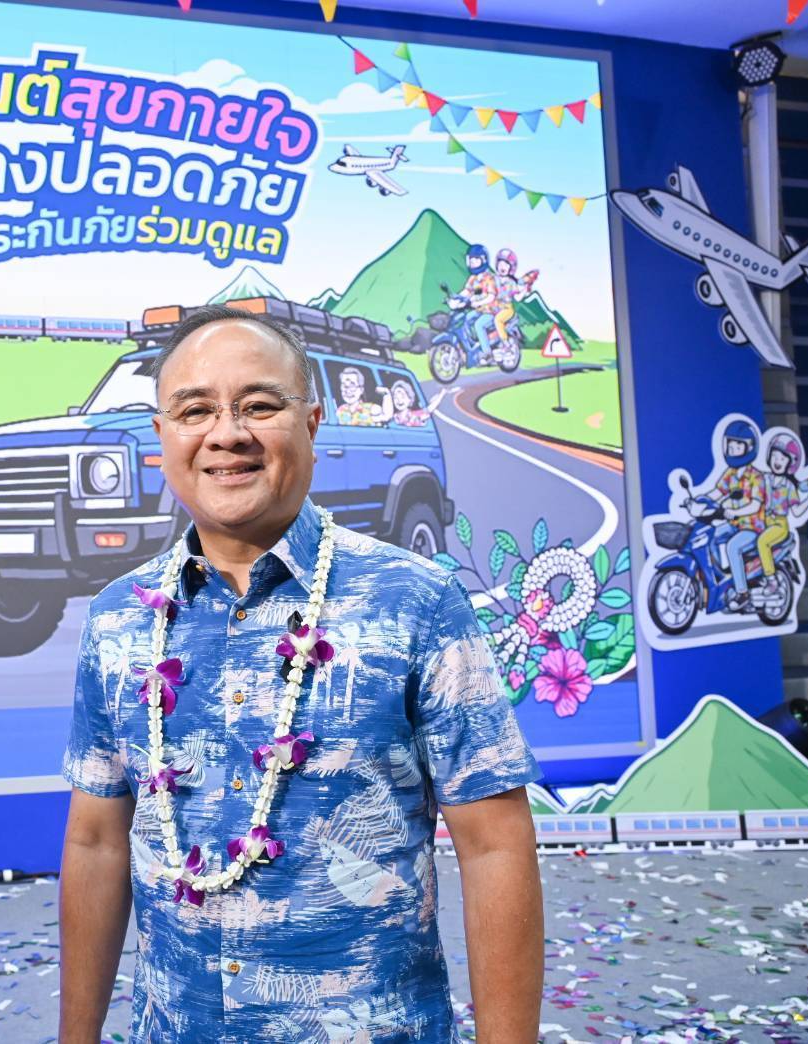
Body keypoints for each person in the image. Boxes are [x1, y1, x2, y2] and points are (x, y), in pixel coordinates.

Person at [59, 305, 543, 1043]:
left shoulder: (416, 601)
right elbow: (95, 842)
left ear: (312, 424)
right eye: (194, 411)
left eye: (258, 405)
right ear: (161, 437)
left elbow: (494, 845)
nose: (226, 433)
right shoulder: (117, 617)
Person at [752, 433, 808, 598]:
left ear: (790, 463)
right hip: (761, 522)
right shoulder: (764, 479)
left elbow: (796, 512)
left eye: (783, 458)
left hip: (779, 525)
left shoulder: (789, 486)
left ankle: (771, 580)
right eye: (775, 456)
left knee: (762, 542)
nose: (778, 461)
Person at [714, 420, 765, 611]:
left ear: (749, 447)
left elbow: (755, 505)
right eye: (730, 446)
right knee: (709, 536)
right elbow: (717, 492)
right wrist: (696, 502)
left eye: (738, 446)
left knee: (732, 546)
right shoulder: (731, 473)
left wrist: (734, 512)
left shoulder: (756, 477)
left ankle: (742, 592)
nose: (733, 450)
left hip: (753, 528)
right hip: (735, 525)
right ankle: (720, 580)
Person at [456, 243, 501, 353]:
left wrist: (478, 302)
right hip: (479, 311)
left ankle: (487, 352)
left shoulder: (490, 278)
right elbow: (467, 291)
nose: (472, 262)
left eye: (476, 259)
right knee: (464, 319)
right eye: (471, 259)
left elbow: (491, 297)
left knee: (479, 325)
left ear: (484, 260)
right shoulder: (473, 278)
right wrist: (456, 299)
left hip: (491, 312)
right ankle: (470, 346)